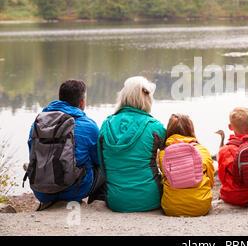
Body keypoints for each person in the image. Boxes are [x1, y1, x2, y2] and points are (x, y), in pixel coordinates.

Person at [26, 79, 105, 211]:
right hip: (74, 191)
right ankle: (97, 206)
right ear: (82, 102)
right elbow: (99, 160)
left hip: (41, 191)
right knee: (105, 167)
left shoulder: (38, 123)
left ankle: (47, 203)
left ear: (60, 98)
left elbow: (32, 155)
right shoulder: (88, 125)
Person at [97, 76, 165, 212]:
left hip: (116, 201)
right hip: (151, 199)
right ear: (147, 99)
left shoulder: (106, 125)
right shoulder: (155, 127)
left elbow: (102, 166)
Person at [159, 114, 214, 217]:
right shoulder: (202, 150)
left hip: (171, 208)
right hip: (201, 207)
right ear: (191, 129)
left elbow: (164, 178)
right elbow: (210, 180)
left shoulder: (163, 154)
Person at [218, 107, 248, 207]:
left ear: (230, 127)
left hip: (234, 196)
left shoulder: (225, 150)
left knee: (222, 192)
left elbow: (222, 177)